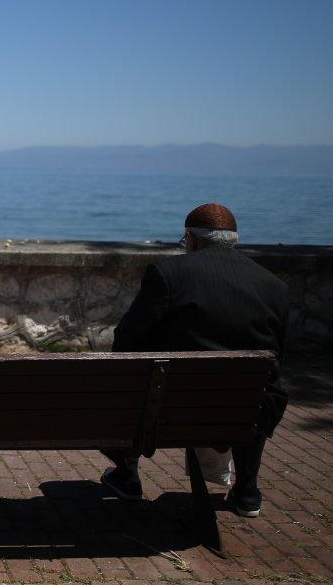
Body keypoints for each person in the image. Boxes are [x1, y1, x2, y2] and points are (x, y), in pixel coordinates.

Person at [100, 203, 289, 518]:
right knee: (262, 390)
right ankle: (247, 490)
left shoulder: (168, 274)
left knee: (129, 383)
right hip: (247, 408)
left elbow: (127, 339)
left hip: (172, 405)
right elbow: (279, 355)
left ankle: (127, 475)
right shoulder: (275, 286)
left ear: (192, 238)